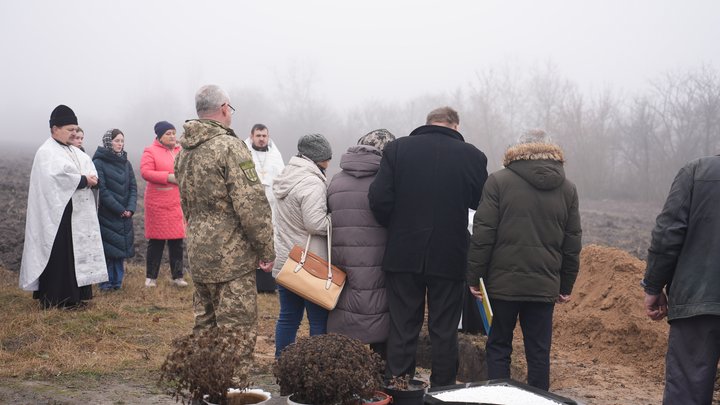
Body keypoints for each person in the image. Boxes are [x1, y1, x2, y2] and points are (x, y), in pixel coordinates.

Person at [368, 107, 488, 387]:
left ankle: (399, 387)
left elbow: (379, 199)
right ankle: (443, 389)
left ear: (427, 123)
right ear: (455, 127)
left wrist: (397, 227)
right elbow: (479, 201)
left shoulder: (397, 150)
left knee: (402, 326)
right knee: (444, 329)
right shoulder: (473, 155)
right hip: (449, 255)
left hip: (403, 252)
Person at [466, 129, 581, 391]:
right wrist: (566, 284)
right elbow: (572, 241)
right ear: (551, 152)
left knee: (498, 346)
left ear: (516, 150)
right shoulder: (568, 188)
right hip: (543, 285)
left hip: (502, 284)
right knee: (539, 352)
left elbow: (483, 234)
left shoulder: (498, 181)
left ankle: (499, 398)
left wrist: (475, 277)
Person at [174, 85, 275, 350]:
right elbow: (251, 205)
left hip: (198, 250)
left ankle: (206, 389)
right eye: (230, 109)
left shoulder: (184, 150)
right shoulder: (230, 147)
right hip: (232, 257)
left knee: (205, 330)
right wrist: (266, 248)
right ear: (223, 109)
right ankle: (233, 390)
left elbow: (186, 202)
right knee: (236, 336)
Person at [642, 152, 720, 405]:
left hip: (697, 302)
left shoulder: (697, 172)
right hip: (698, 302)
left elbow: (668, 233)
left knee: (687, 392)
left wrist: (654, 286)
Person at [19, 105, 107, 309]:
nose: (74, 133)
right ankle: (57, 299)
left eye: (76, 129)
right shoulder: (47, 152)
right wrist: (84, 180)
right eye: (70, 130)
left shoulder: (73, 151)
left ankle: (76, 297)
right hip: (57, 216)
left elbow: (88, 169)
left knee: (76, 255)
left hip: (78, 214)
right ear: (54, 129)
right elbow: (55, 179)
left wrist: (94, 179)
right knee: (61, 256)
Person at [326, 129, 395, 359]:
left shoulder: (336, 180)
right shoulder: (387, 183)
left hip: (341, 264)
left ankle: (346, 379)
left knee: (347, 319)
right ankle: (382, 382)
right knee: (379, 319)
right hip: (378, 264)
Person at [272, 133, 333, 358]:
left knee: (288, 317)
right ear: (320, 158)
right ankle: (317, 368)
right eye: (328, 157)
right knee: (318, 320)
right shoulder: (312, 182)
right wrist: (338, 219)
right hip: (310, 264)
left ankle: (283, 363)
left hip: (287, 260)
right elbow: (315, 223)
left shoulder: (286, 175)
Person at [140, 121, 187, 288]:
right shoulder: (150, 151)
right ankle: (151, 277)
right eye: (168, 133)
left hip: (176, 202)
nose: (172, 136)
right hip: (157, 203)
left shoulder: (180, 151)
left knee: (177, 241)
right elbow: (146, 172)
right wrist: (168, 177)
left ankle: (178, 277)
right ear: (159, 136)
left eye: (174, 133)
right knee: (157, 241)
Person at [93, 129, 137, 291]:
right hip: (107, 214)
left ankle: (117, 283)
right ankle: (105, 284)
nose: (120, 144)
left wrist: (130, 208)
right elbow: (102, 190)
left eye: (121, 141)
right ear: (108, 142)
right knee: (107, 251)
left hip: (125, 215)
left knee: (120, 251)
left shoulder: (126, 163)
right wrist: (119, 209)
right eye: (117, 141)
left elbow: (133, 187)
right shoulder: (99, 162)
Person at [243, 123, 285, 293]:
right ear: (252, 136)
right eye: (258, 136)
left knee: (270, 240)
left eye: (264, 136)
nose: (261, 139)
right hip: (250, 205)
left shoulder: (275, 155)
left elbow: (282, 177)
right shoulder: (243, 152)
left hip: (272, 207)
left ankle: (268, 282)